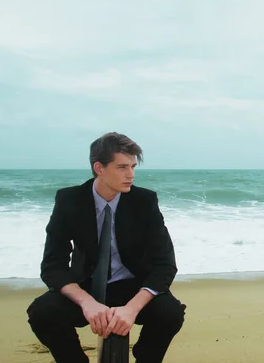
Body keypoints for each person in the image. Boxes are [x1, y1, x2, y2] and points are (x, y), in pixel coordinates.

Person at [27, 132, 186, 363]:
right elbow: (52, 265)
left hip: (133, 284)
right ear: (99, 168)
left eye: (133, 166)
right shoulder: (69, 200)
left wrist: (131, 309)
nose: (131, 174)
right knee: (41, 312)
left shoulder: (144, 201)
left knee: (170, 313)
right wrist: (87, 302)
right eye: (122, 167)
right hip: (86, 284)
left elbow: (165, 265)